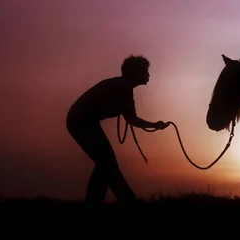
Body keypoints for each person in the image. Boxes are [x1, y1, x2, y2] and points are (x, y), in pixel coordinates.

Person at [66, 55, 168, 204]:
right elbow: (133, 120)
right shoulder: (123, 88)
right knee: (107, 163)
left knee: (105, 163)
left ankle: (98, 201)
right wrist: (156, 125)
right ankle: (127, 200)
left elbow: (130, 118)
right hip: (82, 122)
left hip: (82, 121)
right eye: (145, 71)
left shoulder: (121, 86)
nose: (148, 75)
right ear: (135, 73)